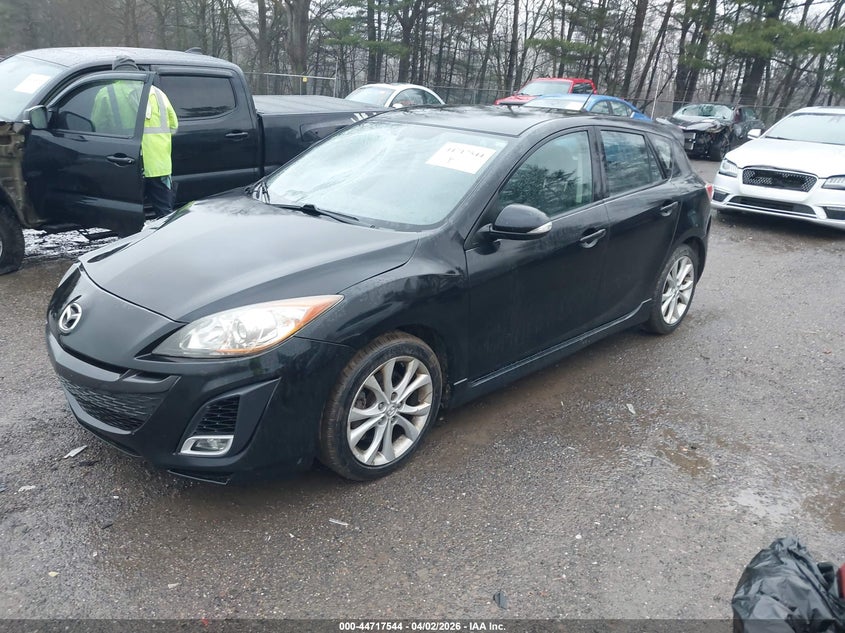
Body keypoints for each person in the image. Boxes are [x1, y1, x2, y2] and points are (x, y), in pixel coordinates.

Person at [95, 56, 179, 218]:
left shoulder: (106, 93)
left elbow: (98, 127)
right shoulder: (158, 93)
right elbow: (174, 126)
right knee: (165, 213)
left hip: (127, 164)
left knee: (128, 213)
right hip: (160, 165)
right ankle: (170, 241)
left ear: (115, 72)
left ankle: (130, 242)